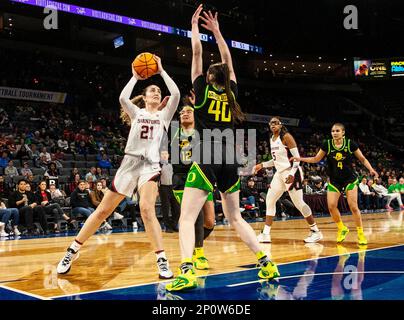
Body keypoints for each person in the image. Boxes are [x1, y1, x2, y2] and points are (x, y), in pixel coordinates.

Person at [166, 6, 279, 292]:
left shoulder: (201, 93)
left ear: (208, 77)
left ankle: (187, 270)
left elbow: (195, 54)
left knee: (187, 217)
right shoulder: (232, 94)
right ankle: (266, 262)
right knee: (235, 217)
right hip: (230, 156)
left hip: (207, 154)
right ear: (226, 77)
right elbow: (227, 58)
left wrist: (194, 27)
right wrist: (217, 31)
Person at [57, 55, 180, 279]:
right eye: (152, 90)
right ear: (144, 97)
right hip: (129, 164)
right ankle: (71, 250)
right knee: (103, 210)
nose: (156, 93)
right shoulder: (138, 113)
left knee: (146, 209)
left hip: (150, 167)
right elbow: (123, 97)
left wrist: (161, 70)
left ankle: (161, 260)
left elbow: (177, 94)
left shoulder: (164, 115)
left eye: (158, 92)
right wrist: (134, 77)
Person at [291, 123, 378, 245]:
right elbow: (316, 159)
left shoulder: (350, 144)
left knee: (353, 207)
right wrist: (300, 159)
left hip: (350, 179)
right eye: (333, 131)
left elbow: (362, 159)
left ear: (343, 132)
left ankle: (360, 233)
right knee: (331, 206)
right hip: (334, 180)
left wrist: (371, 169)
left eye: (337, 131)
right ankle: (342, 228)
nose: (334, 133)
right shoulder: (327, 144)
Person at [253, 117, 323, 243]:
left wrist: (292, 173)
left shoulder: (287, 137)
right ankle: (266, 234)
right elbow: (275, 161)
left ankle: (316, 231)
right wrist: (262, 165)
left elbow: (296, 158)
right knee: (270, 199)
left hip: (292, 172)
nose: (273, 125)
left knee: (299, 203)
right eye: (271, 123)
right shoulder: (271, 139)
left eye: (275, 123)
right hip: (280, 173)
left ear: (280, 125)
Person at [170, 103, 215, 270]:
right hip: (181, 178)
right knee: (195, 216)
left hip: (202, 175)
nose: (184, 113)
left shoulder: (202, 131)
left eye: (189, 111)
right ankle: (199, 252)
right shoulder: (173, 130)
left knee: (210, 221)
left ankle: (193, 243)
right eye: (182, 112)